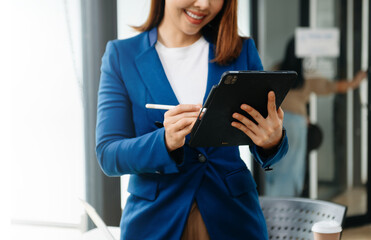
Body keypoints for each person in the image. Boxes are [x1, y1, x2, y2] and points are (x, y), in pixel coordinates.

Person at [96, 0, 288, 239]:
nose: (203, 4)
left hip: (233, 218)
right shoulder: (121, 55)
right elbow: (108, 153)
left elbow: (269, 146)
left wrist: (272, 140)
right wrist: (163, 142)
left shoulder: (241, 50)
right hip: (155, 221)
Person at [264, 37, 367, 197]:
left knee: (273, 166)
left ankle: (271, 209)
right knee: (291, 169)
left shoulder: (276, 69)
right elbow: (331, 86)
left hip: (275, 122)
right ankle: (285, 210)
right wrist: (355, 82)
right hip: (296, 125)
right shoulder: (306, 74)